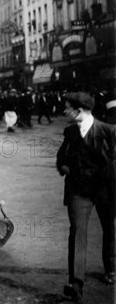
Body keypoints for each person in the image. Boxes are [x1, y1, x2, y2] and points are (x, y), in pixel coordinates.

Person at [56, 92, 116, 300]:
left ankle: (111, 268)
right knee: (77, 231)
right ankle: (76, 283)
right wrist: (67, 168)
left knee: (109, 228)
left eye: (67, 108)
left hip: (105, 190)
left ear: (79, 111)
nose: (64, 111)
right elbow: (61, 158)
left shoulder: (109, 131)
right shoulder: (70, 132)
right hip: (78, 191)